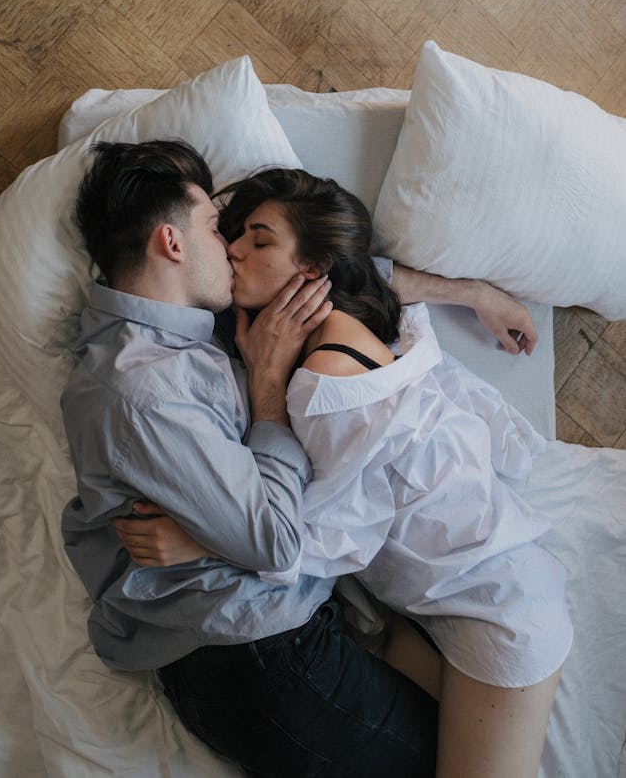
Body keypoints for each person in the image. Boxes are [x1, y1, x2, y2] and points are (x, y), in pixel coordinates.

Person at [62, 140, 544, 778]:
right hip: (254, 652)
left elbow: (328, 270)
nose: (230, 247)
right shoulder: (143, 388)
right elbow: (274, 541)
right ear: (173, 246)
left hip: (289, 629)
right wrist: (266, 392)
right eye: (216, 228)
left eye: (245, 237)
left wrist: (475, 293)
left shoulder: (190, 328)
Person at [202, 166, 571, 778]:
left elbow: (326, 533)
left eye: (258, 240)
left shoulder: (325, 385)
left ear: (313, 272)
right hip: (434, 615)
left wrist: (200, 536)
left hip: (500, 611)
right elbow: (374, 269)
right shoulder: (374, 320)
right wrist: (479, 294)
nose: (233, 249)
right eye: (237, 235)